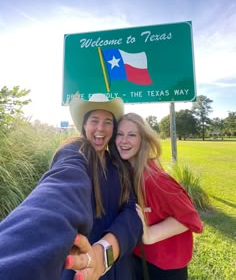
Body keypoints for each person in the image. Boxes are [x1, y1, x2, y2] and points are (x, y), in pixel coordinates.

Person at [0, 94, 142, 280]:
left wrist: (104, 253)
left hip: (119, 267)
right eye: (94, 121)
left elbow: (131, 211)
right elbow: (58, 193)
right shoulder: (74, 152)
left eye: (108, 122)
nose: (100, 128)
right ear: (84, 125)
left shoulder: (118, 164)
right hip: (79, 269)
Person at [115, 113, 204, 280]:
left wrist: (150, 235)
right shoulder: (128, 172)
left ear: (143, 140)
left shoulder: (154, 180)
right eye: (120, 134)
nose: (123, 140)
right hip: (141, 260)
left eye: (132, 135)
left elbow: (190, 218)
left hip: (164, 268)